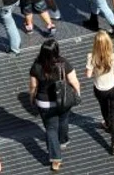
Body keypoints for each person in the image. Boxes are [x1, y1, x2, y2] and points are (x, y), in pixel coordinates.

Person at [29, 39, 81, 171]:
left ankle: (56, 158)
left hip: (44, 103)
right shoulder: (64, 63)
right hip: (63, 100)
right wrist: (77, 94)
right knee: (64, 120)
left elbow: (33, 86)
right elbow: (74, 81)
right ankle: (63, 141)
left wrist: (32, 98)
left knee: (51, 128)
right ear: (56, 51)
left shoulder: (36, 66)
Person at [86, 31, 114, 155]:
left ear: (95, 44)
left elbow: (88, 75)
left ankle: (107, 124)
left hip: (100, 90)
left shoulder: (91, 57)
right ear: (109, 43)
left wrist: (93, 68)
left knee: (104, 107)